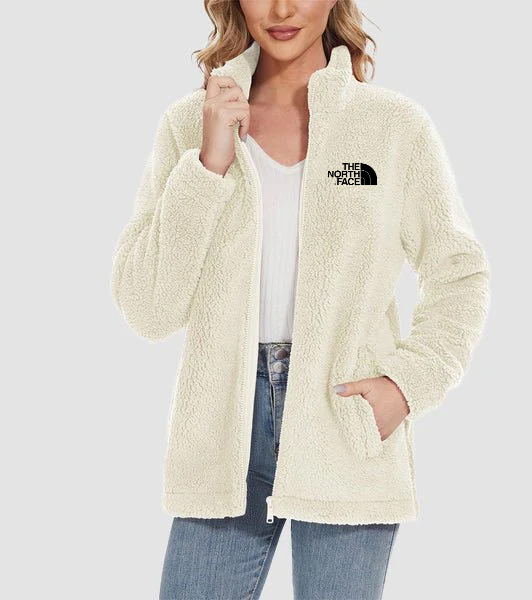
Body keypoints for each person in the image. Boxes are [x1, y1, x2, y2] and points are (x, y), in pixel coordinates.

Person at [110, 0, 491, 598]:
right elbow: (146, 307)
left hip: (345, 418)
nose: (283, 8)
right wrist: (208, 165)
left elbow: (460, 272)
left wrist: (407, 385)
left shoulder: (391, 127)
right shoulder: (191, 124)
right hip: (225, 429)